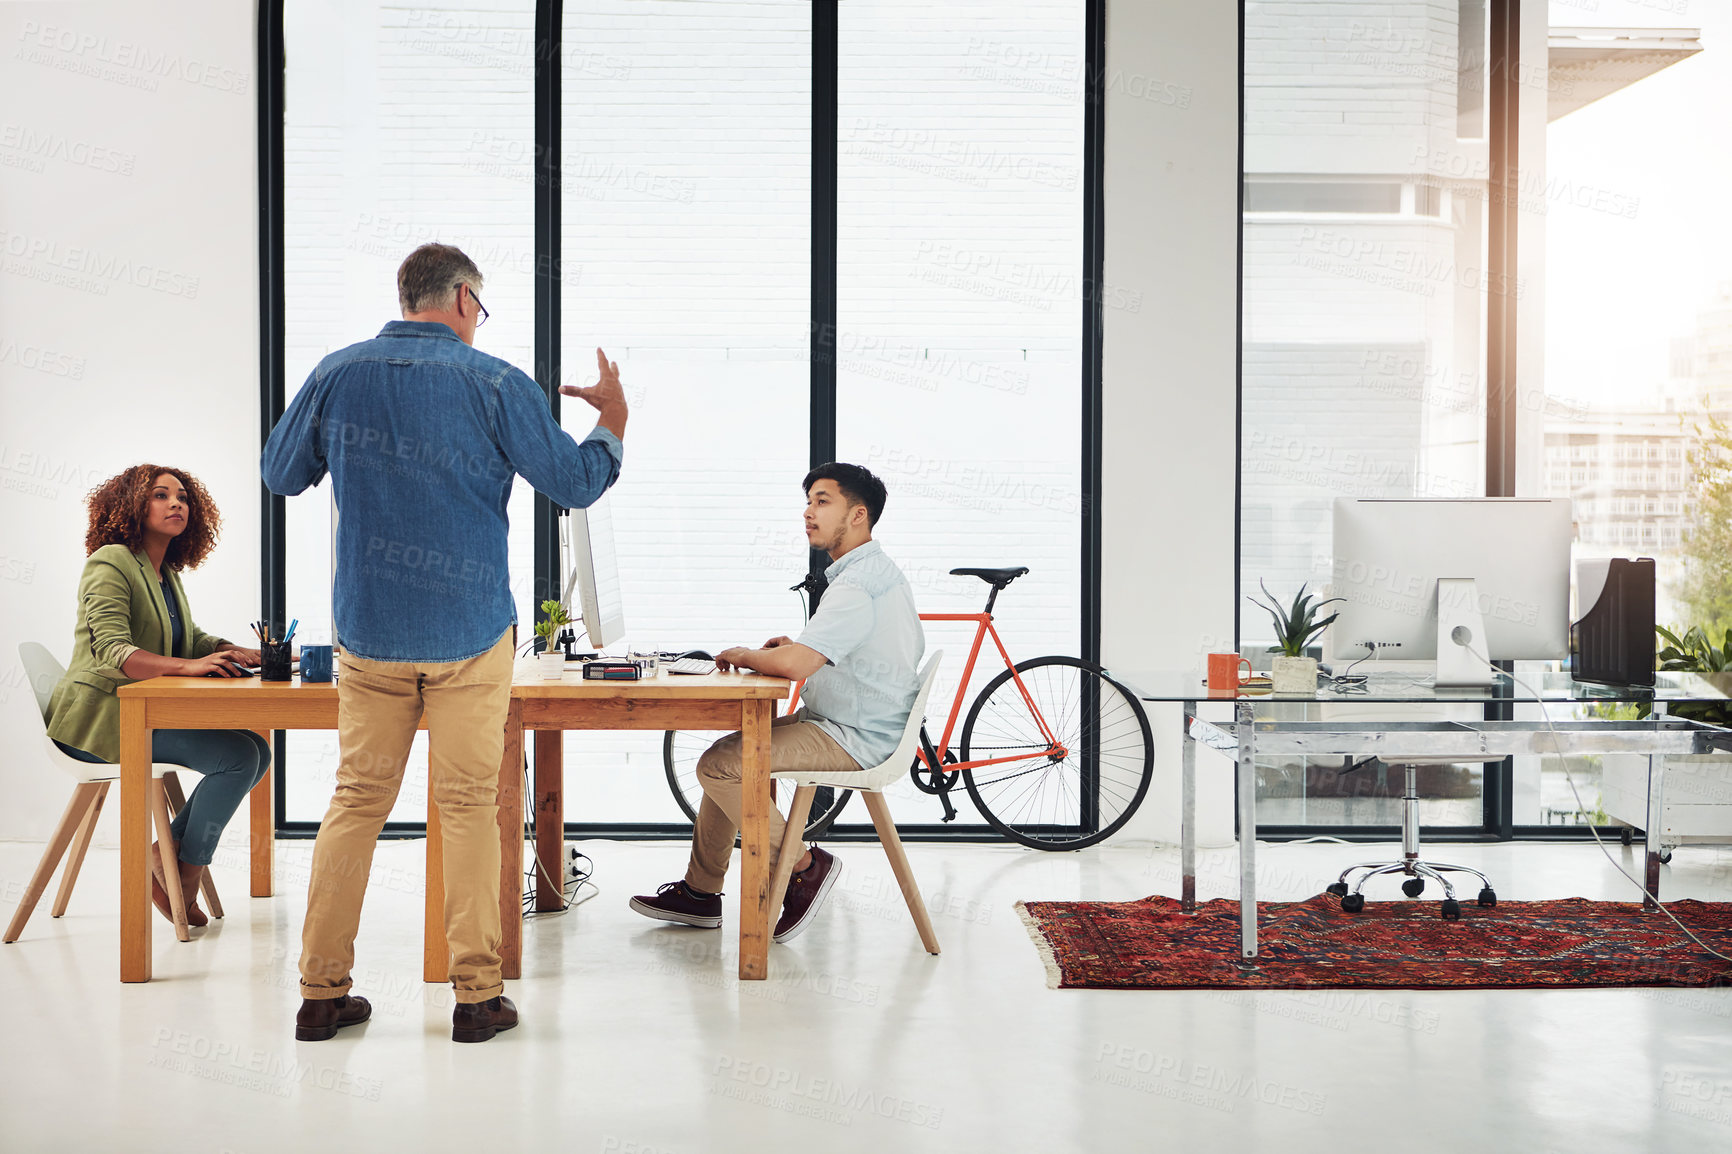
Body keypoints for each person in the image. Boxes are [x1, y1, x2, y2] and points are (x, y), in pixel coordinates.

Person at [262, 242, 627, 1043]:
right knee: (466, 806)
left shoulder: (336, 371)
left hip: (369, 632)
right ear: (462, 298)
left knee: (356, 802)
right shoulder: (495, 381)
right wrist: (613, 423)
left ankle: (321, 996)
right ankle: (476, 999)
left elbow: (283, 474)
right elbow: (573, 485)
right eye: (480, 306)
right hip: (467, 635)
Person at [630, 462, 924, 944]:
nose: (808, 513)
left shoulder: (857, 585)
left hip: (855, 735)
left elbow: (799, 665)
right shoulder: (866, 572)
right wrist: (794, 647)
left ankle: (804, 867)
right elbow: (830, 652)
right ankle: (701, 894)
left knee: (722, 765)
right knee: (732, 753)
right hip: (850, 719)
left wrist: (747, 654)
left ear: (858, 515)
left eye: (822, 502)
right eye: (808, 502)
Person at [46, 465, 267, 928]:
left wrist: (233, 650)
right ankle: (185, 872)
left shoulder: (164, 571)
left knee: (257, 749)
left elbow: (184, 639)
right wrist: (190, 666)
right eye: (161, 495)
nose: (176, 504)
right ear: (132, 507)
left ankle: (162, 853)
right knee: (237, 758)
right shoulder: (110, 561)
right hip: (104, 721)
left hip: (141, 713)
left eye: (183, 497)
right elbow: (112, 649)